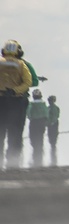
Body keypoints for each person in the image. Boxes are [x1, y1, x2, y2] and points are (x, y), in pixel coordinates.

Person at [0, 40, 33, 169]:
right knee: (16, 133)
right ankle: (12, 162)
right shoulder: (21, 64)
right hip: (16, 102)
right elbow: (28, 82)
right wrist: (14, 90)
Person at [27, 89, 48, 167]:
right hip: (42, 123)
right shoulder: (43, 104)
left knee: (33, 140)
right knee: (40, 140)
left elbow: (28, 113)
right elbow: (46, 115)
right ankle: (39, 159)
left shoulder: (31, 104)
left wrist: (30, 117)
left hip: (34, 123)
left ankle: (35, 158)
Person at [47, 95, 60, 166]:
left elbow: (55, 117)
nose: (50, 101)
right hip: (50, 126)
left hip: (53, 126)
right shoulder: (48, 108)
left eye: (51, 100)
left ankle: (54, 160)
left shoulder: (54, 108)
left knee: (53, 144)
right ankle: (53, 159)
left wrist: (51, 123)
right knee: (52, 143)